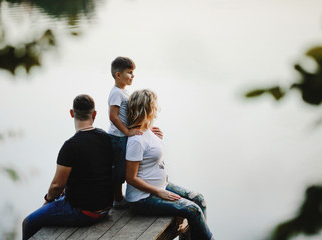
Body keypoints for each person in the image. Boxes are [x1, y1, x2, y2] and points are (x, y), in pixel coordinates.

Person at [125, 89, 214, 240]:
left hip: (160, 186)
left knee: (199, 199)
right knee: (193, 210)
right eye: (155, 105)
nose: (158, 108)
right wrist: (159, 192)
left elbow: (152, 156)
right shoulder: (136, 140)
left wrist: (158, 138)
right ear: (148, 108)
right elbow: (130, 178)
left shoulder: (148, 132)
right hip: (143, 198)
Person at [22, 94, 113, 240]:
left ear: (71, 113)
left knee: (29, 223)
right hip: (106, 208)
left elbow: (57, 186)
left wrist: (47, 201)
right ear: (94, 114)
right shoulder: (104, 137)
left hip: (84, 212)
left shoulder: (70, 146)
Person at [107, 56, 162, 208]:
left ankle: (122, 196)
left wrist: (148, 130)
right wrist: (127, 132)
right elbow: (113, 116)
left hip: (123, 135)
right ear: (118, 75)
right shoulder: (116, 93)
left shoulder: (124, 92)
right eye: (130, 72)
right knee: (118, 170)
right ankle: (117, 199)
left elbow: (132, 116)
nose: (133, 76)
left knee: (125, 166)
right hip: (117, 137)